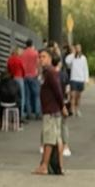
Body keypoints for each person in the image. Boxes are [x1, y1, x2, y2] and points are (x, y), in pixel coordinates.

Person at [33, 47, 68, 176]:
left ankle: (44, 165)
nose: (41, 59)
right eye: (40, 57)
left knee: (49, 139)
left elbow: (58, 91)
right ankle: (59, 166)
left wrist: (62, 106)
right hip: (51, 109)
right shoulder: (46, 72)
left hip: (51, 110)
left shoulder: (51, 72)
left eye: (44, 57)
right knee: (56, 138)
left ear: (50, 58)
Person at [65, 44, 89, 117]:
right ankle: (71, 110)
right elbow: (67, 61)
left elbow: (85, 69)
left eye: (79, 48)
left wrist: (86, 80)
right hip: (73, 79)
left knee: (78, 97)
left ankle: (77, 109)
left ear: (81, 49)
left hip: (80, 79)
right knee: (72, 95)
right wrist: (73, 54)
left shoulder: (83, 58)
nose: (78, 49)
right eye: (77, 48)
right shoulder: (72, 57)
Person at [21, 39, 41, 120]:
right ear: (32, 44)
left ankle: (28, 113)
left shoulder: (23, 53)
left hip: (25, 76)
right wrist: (38, 73)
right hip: (33, 75)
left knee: (27, 95)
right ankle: (37, 113)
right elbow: (38, 64)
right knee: (36, 95)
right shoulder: (35, 53)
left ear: (26, 45)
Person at [6, 46, 25, 118]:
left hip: (12, 78)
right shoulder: (19, 59)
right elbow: (23, 69)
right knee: (21, 97)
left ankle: (12, 115)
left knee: (13, 97)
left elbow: (8, 69)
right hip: (19, 78)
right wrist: (23, 76)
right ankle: (21, 115)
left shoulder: (9, 60)